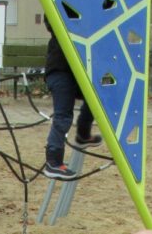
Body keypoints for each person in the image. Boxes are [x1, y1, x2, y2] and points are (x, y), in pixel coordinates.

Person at [43, 15, 102, 180]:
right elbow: (50, 19)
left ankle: (83, 133)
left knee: (95, 98)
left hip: (76, 73)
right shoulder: (59, 16)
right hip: (60, 71)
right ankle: (53, 161)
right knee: (63, 116)